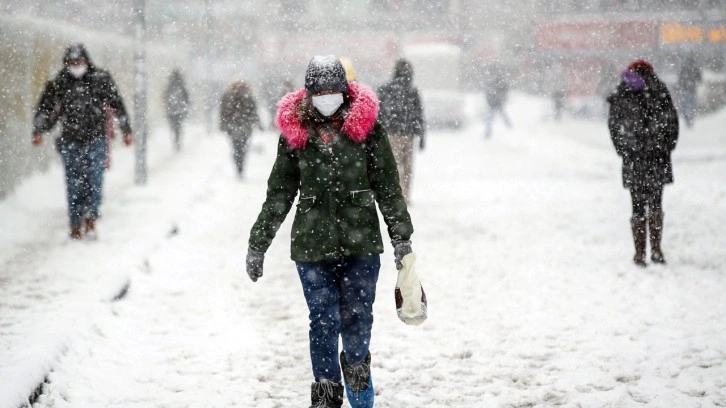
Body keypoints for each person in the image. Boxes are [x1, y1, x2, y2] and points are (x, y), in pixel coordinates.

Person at [246, 55, 415, 408]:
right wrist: (258, 243)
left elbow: (388, 187)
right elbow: (279, 193)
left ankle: (355, 365)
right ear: (309, 93)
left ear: (345, 91)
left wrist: (401, 238)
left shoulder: (368, 130)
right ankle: (325, 392)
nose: (326, 96)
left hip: (361, 243)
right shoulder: (295, 135)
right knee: (322, 320)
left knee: (358, 315)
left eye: (332, 90)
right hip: (311, 246)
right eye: (319, 91)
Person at [32, 43, 133, 240]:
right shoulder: (59, 81)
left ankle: (91, 218)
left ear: (87, 61)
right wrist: (39, 129)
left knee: (94, 180)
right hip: (71, 140)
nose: (76, 65)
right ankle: (75, 222)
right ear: (66, 63)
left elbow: (117, 103)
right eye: (72, 62)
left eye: (79, 62)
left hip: (96, 138)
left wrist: (126, 129)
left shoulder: (100, 79)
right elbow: (45, 107)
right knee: (74, 183)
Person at [607, 59, 679, 267]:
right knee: (656, 202)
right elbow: (672, 121)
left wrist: (624, 149)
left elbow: (614, 125)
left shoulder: (623, 92)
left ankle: (639, 253)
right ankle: (656, 249)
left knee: (637, 205)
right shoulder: (659, 89)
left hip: (634, 158)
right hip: (657, 157)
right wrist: (665, 146)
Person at [377, 58, 426, 203]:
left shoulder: (385, 89)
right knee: (408, 168)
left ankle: (395, 194)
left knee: (393, 166)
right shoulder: (413, 91)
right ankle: (405, 195)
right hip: (409, 135)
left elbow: (378, 113)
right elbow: (419, 114)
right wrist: (422, 135)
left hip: (391, 134)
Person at [219, 80, 262, 178]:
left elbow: (223, 111)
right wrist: (258, 124)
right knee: (242, 147)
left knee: (236, 147)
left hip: (232, 126)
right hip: (245, 127)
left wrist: (223, 124)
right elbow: (254, 111)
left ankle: (238, 164)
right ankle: (241, 164)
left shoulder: (228, 96)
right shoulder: (249, 96)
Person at [164, 69, 190, 151]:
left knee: (174, 126)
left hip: (171, 110)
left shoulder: (170, 85)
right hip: (180, 110)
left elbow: (166, 97)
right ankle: (177, 139)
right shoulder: (181, 85)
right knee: (178, 126)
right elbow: (187, 97)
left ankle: (176, 139)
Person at [483, 65, 512, 138]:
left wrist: (500, 97)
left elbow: (505, 89)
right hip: (494, 103)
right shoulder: (494, 84)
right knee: (492, 119)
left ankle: (509, 128)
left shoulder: (495, 83)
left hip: (496, 103)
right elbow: (488, 93)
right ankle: (488, 133)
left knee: (492, 118)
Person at [677, 55, 702, 128]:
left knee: (686, 104)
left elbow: (680, 79)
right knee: (692, 104)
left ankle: (687, 118)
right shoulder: (695, 68)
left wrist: (681, 85)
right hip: (693, 89)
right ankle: (691, 119)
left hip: (686, 89)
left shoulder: (684, 68)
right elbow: (699, 78)